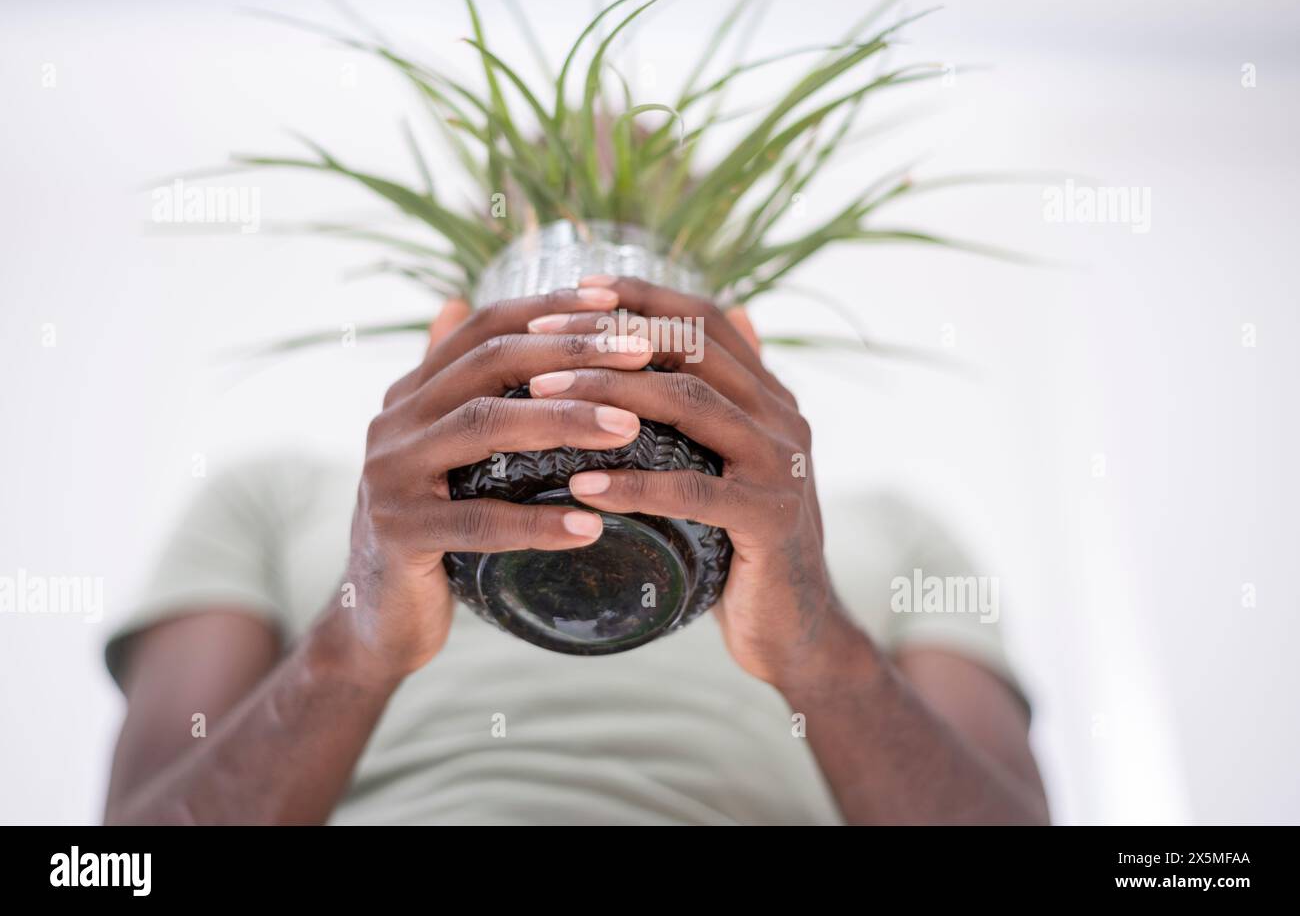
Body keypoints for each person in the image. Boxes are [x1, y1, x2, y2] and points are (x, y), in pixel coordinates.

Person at [102, 276, 1049, 825]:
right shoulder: (274, 496)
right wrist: (355, 644)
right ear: (460, 315)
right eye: (559, 265)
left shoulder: (899, 528)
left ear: (732, 328)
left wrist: (817, 648)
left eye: (632, 273)